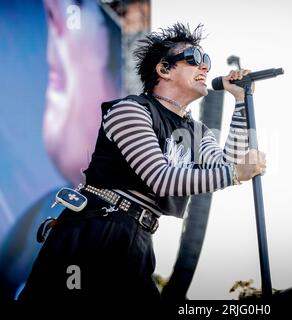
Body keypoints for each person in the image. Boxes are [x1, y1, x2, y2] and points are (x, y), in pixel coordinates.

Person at [18, 22, 266, 305]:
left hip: (138, 237)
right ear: (164, 69)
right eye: (195, 59)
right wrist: (234, 173)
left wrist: (241, 102)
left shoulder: (197, 132)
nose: (205, 68)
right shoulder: (130, 110)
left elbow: (222, 166)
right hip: (96, 229)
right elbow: (160, 177)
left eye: (207, 62)